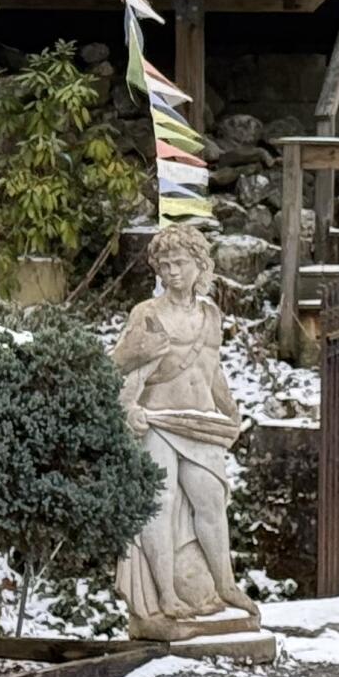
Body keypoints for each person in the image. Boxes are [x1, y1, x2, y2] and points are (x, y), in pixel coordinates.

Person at [111, 221, 257, 638]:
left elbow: (211, 370)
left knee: (211, 501)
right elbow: (125, 367)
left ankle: (225, 584)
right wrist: (128, 408)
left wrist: (230, 410)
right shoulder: (148, 314)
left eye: (180, 263)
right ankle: (166, 595)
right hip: (157, 419)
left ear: (199, 265)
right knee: (160, 500)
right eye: (165, 265)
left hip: (200, 420)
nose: (172, 272)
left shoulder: (210, 315)